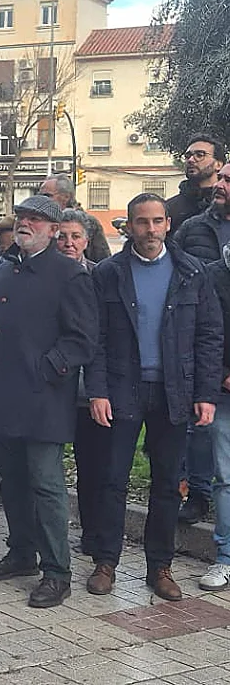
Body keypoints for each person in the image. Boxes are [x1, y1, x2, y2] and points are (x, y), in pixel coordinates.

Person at [83, 193, 221, 602]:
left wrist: (206, 394)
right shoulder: (108, 273)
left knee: (166, 485)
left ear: (168, 224)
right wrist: (98, 391)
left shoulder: (191, 272)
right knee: (112, 480)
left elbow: (209, 336)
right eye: (142, 222)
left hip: (174, 390)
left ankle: (159, 567)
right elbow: (96, 340)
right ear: (128, 226)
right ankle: (105, 561)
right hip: (122, 390)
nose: (151, 230)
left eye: (158, 221)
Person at [0, 195, 97, 608]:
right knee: (12, 480)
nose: (25, 224)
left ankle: (57, 571)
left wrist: (47, 369)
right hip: (1, 394)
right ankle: (21, 552)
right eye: (22, 218)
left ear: (53, 229)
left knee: (45, 485)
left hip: (43, 398)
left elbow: (82, 339)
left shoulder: (69, 274)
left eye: (35, 220)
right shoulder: (1, 269)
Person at [172, 161, 230, 524]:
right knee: (200, 431)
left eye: (227, 180)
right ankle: (198, 493)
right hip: (210, 355)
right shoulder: (194, 227)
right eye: (221, 177)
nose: (219, 184)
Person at [56, 209, 103, 559]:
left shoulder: (100, 277)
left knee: (92, 467)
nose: (68, 243)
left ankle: (92, 533)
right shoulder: (43, 277)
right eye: (62, 236)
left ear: (87, 241)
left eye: (75, 237)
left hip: (88, 391)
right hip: (51, 388)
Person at [199, 240, 230, 591]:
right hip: (224, 391)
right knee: (225, 477)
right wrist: (221, 373)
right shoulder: (213, 276)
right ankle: (225, 557)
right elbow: (205, 333)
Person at [38, 174, 111, 262]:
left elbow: (102, 259)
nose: (41, 200)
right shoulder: (40, 220)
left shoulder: (89, 222)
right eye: (39, 195)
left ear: (65, 197)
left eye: (47, 196)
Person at [167, 134, 224, 235]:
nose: (191, 160)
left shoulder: (226, 204)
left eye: (200, 155)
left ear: (218, 164)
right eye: (188, 156)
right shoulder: (170, 208)